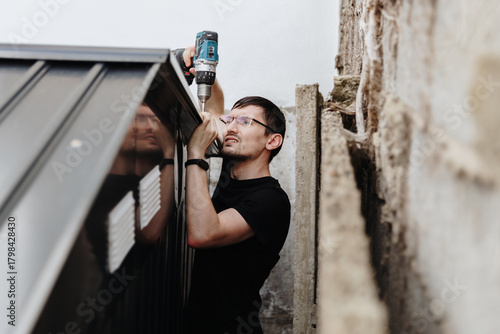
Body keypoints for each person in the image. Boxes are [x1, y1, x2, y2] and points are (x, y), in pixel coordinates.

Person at [178, 46, 291, 334]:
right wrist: (205, 70)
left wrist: (195, 153)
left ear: (272, 141)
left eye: (245, 122)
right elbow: (216, 108)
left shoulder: (270, 201)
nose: (231, 127)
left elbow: (203, 234)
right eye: (231, 120)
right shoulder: (233, 168)